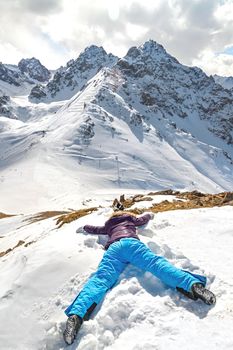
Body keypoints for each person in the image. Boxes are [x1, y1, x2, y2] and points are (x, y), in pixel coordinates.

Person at [63, 210, 216, 345]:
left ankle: (76, 315)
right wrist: (149, 214)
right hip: (132, 243)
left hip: (114, 248)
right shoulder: (129, 218)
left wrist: (84, 227)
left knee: (101, 279)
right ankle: (193, 286)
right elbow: (143, 219)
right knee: (156, 264)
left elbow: (94, 229)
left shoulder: (109, 225)